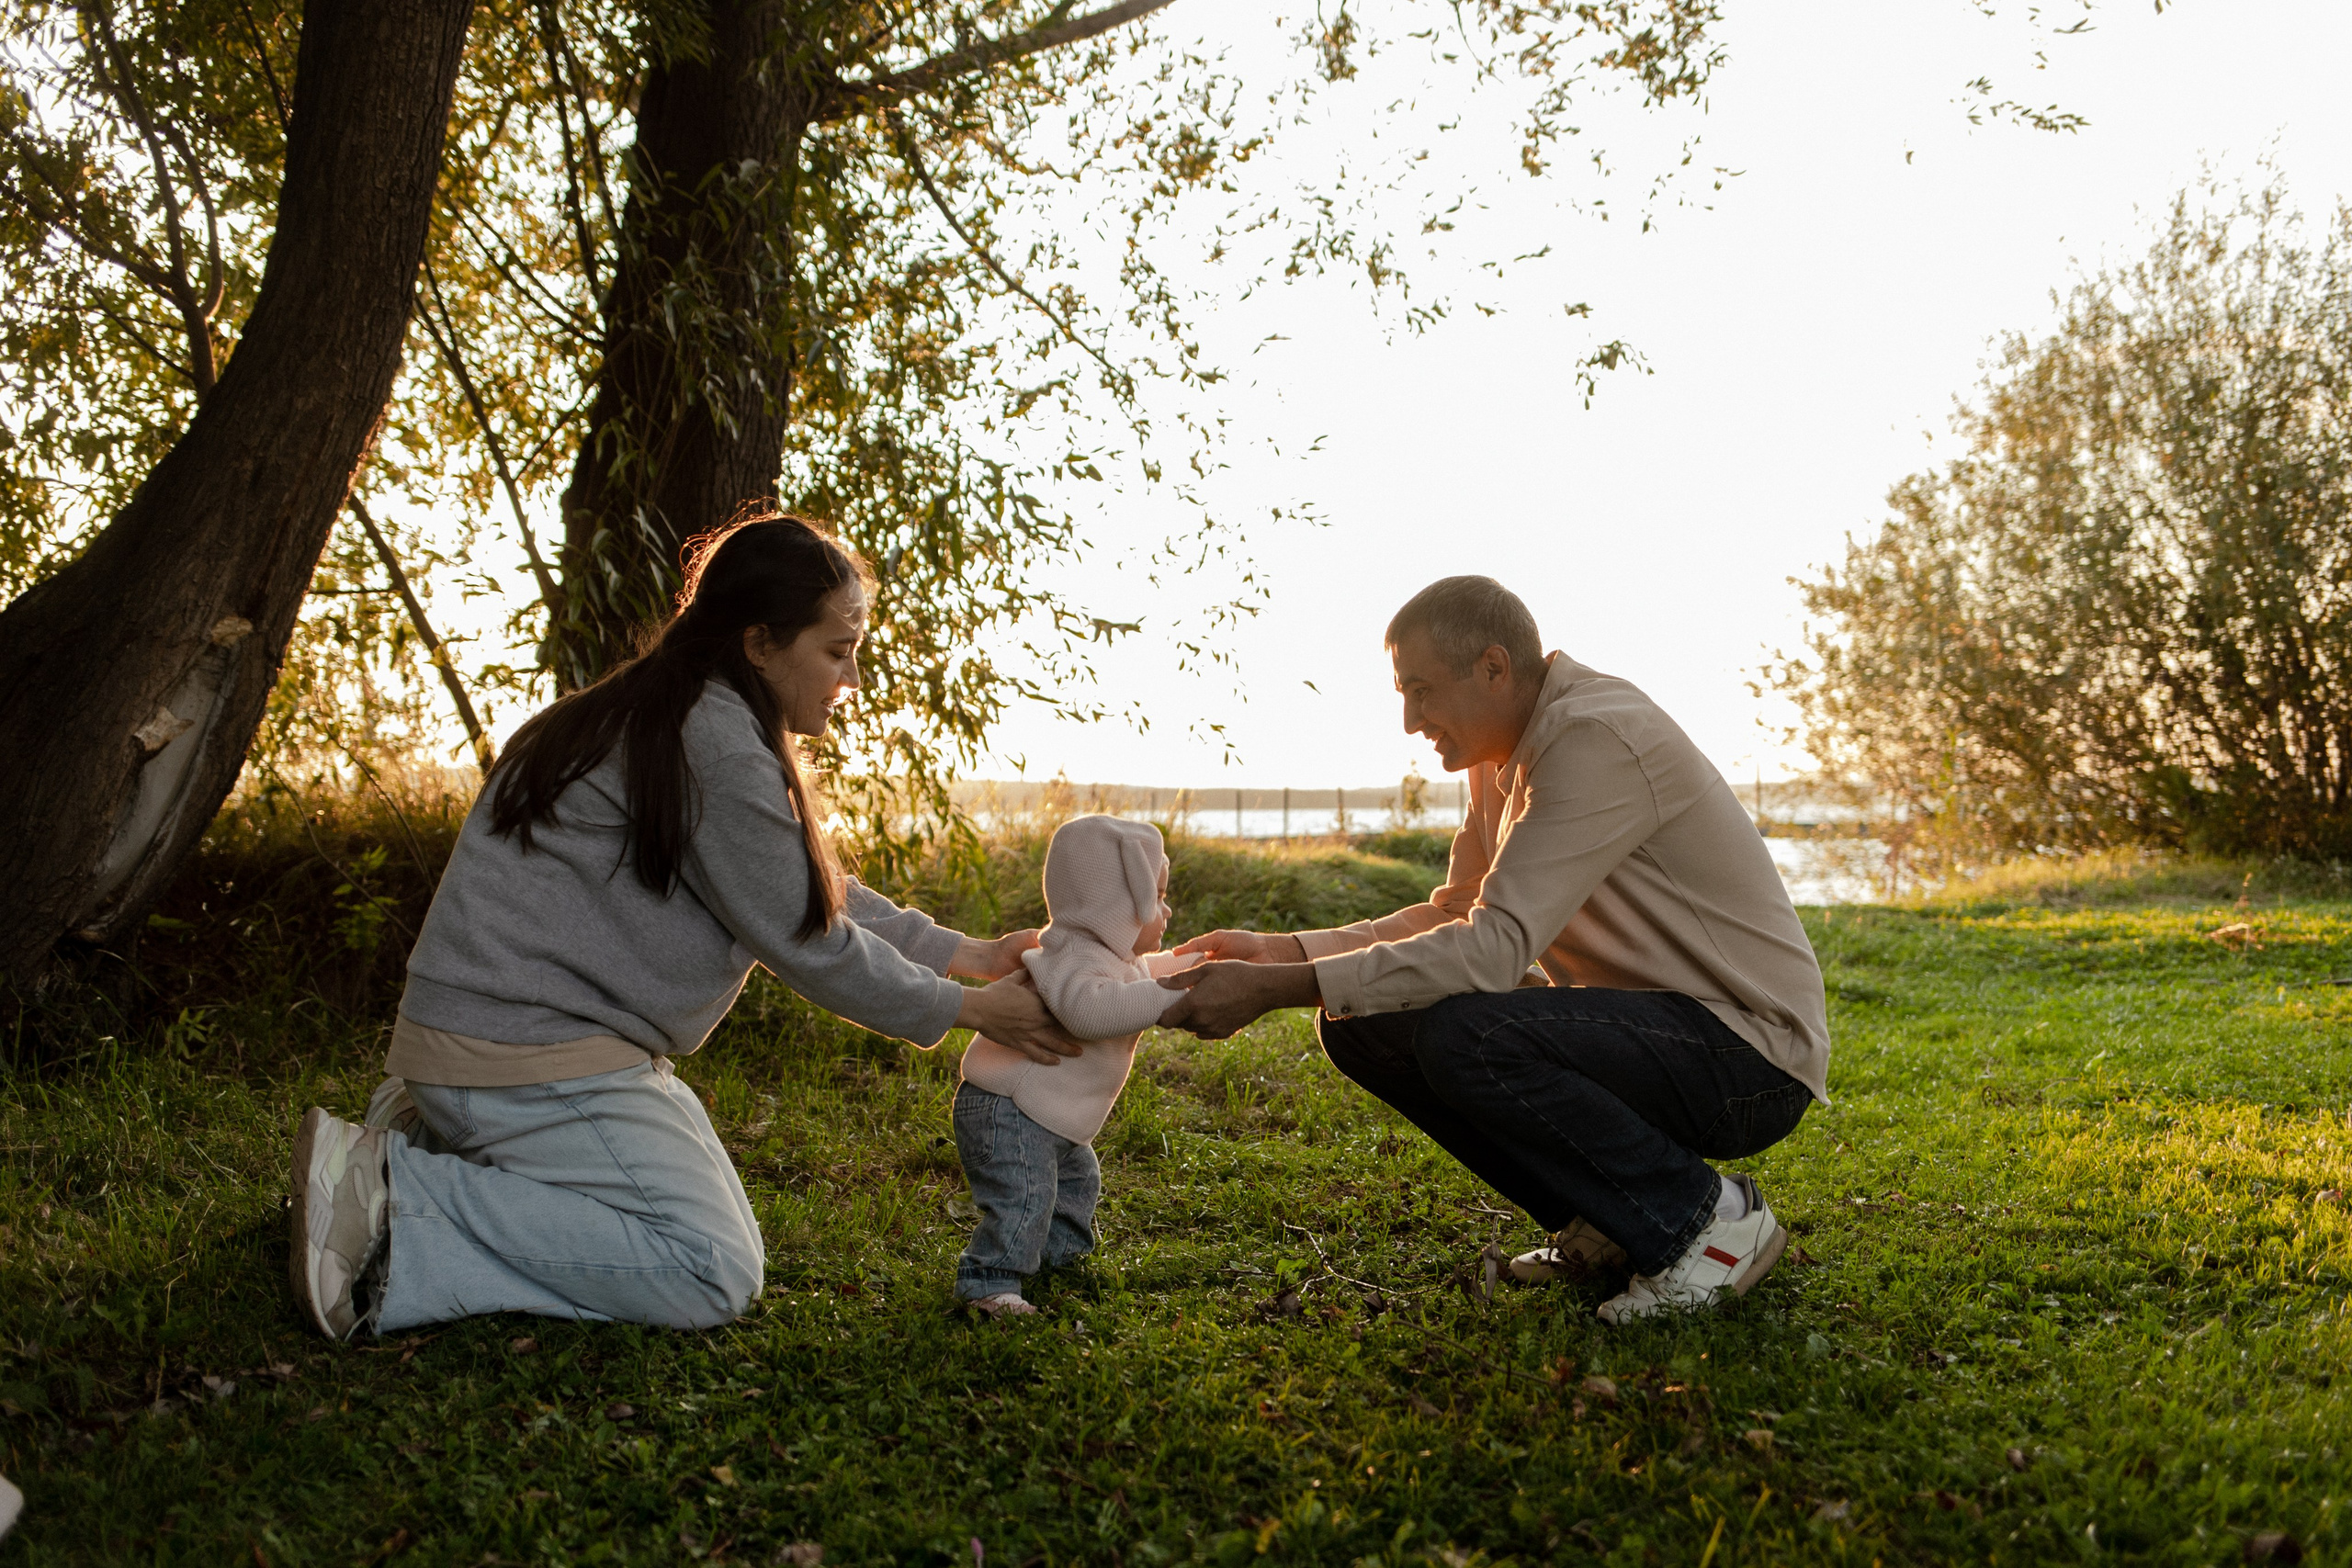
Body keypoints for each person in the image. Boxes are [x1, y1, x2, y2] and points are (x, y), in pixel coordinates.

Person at [287, 510, 1080, 1341]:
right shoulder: (713, 740)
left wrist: (969, 954)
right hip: (520, 1055)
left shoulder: (675, 711)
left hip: (499, 1045)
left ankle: (429, 1138)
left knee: (702, 1235)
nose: (852, 677)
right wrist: (970, 1009)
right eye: (837, 651)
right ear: (760, 643)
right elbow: (806, 939)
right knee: (710, 1265)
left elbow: (801, 888)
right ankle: (397, 1200)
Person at [1159, 576, 1829, 1324]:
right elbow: (1455, 914)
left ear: (1493, 667)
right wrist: (1281, 952)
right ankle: (1609, 1220)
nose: (1410, 720)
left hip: (1749, 1054)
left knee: (1468, 1036)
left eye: (1421, 692)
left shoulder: (1593, 736)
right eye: (1403, 695)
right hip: (1650, 1031)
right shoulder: (1498, 757)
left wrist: (1272, 990)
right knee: (1361, 1023)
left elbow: (1491, 952)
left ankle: (1705, 1222)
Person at [951, 815, 1199, 1318]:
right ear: (1116, 907)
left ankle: (1058, 1260)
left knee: (1076, 1185)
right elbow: (1090, 1010)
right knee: (1025, 1195)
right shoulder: (1072, 955)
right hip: (1010, 1109)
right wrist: (1168, 998)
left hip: (1048, 1117)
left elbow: (1147, 974)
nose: (1167, 910)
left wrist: (1201, 969)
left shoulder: (1114, 956)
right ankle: (989, 1282)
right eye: (1157, 898)